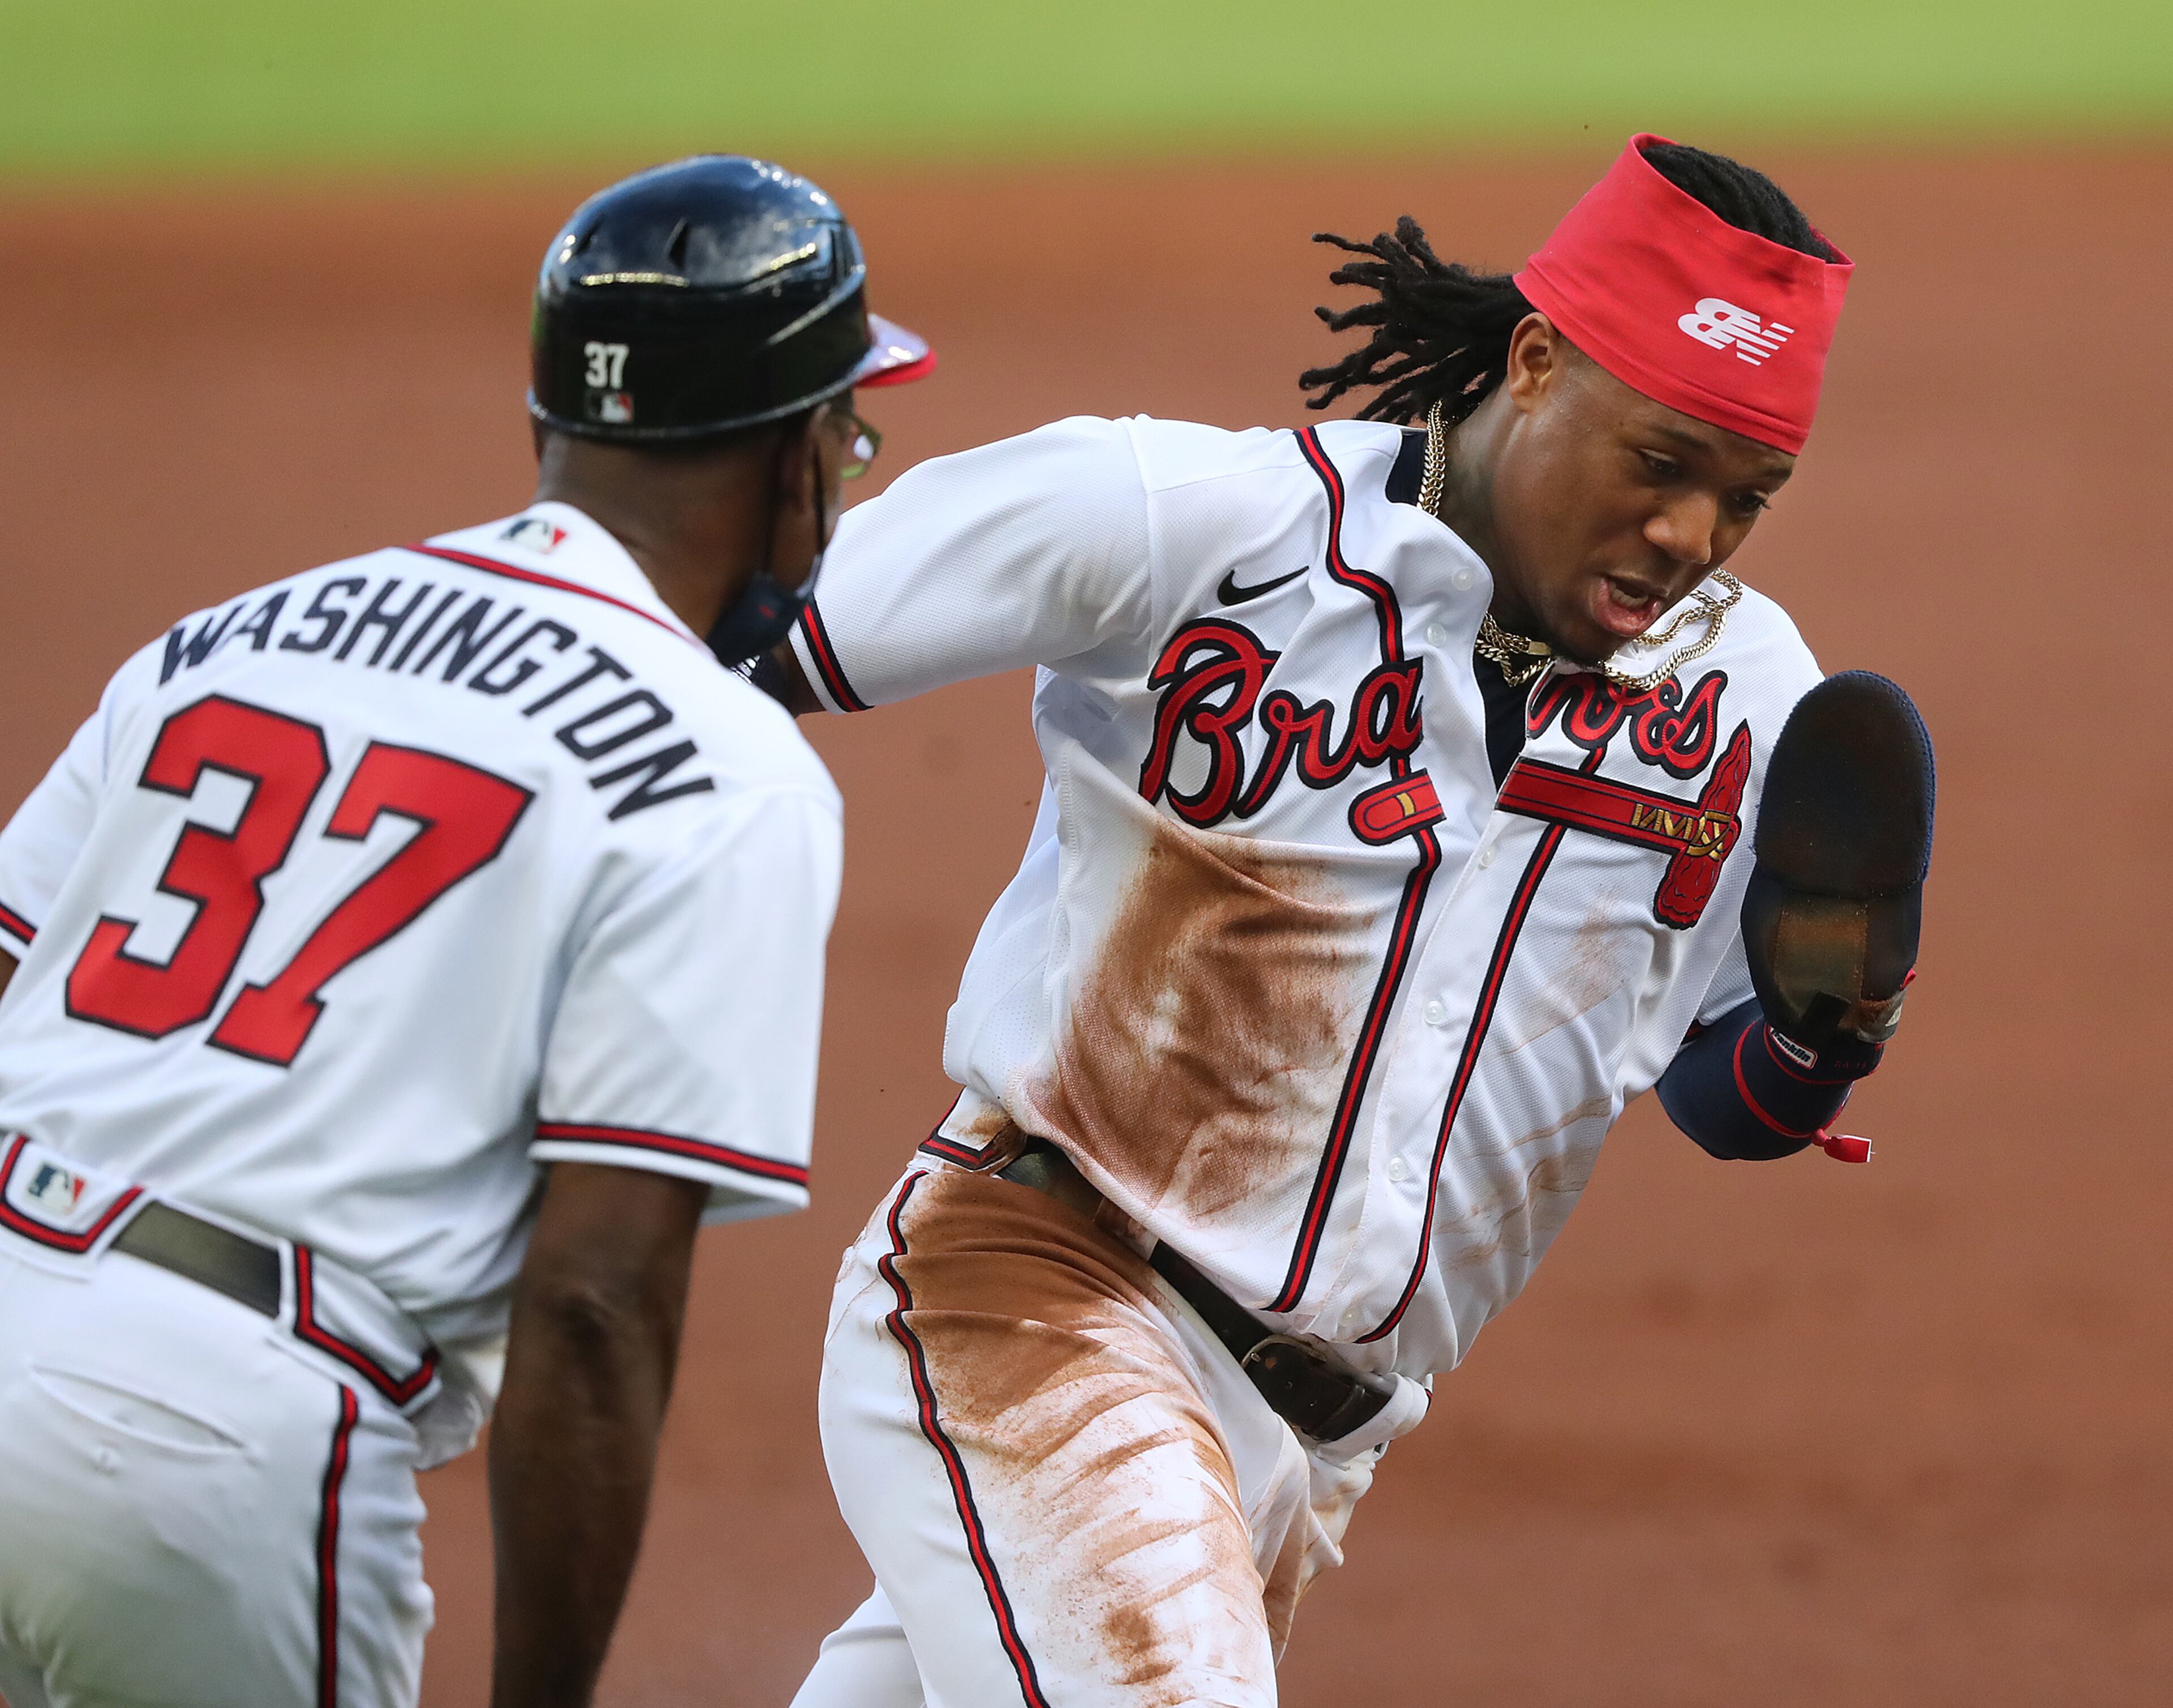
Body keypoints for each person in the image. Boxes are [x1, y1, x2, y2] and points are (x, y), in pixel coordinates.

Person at [767, 135, 1932, 1707]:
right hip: (1042, 1300)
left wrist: (1814, 1036)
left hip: (1313, 1453)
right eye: (1660, 464)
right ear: (1533, 362)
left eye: (1748, 495)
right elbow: (776, 627)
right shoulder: (1214, 529)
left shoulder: (1746, 697)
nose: (1693, 539)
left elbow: (1732, 1101)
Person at [0, 153, 931, 1708]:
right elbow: (594, 1298)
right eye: (850, 423)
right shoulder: (724, 763)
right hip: (210, 1450)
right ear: (793, 456)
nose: (851, 464)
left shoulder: (224, 639)